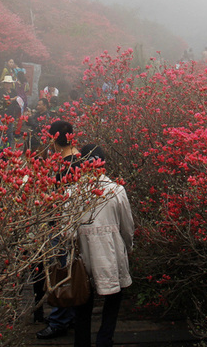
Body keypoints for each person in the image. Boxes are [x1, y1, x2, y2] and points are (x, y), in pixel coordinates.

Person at [72, 145, 134, 347]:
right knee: (114, 296)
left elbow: (66, 231)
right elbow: (127, 226)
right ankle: (104, 339)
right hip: (111, 251)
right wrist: (128, 246)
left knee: (82, 299)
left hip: (83, 254)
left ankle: (82, 342)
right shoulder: (116, 190)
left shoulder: (72, 191)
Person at [36, 120, 80, 340]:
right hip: (74, 224)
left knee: (60, 271)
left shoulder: (65, 165)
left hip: (61, 226)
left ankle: (59, 320)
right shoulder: (80, 159)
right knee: (69, 269)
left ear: (54, 139)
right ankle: (69, 313)